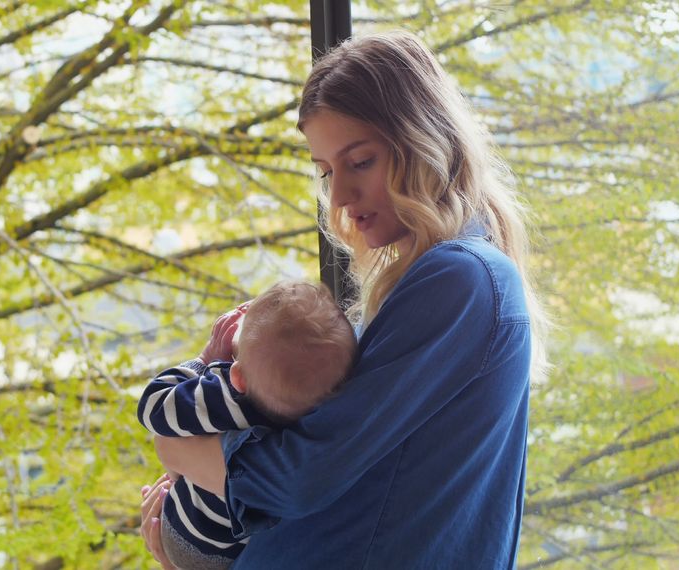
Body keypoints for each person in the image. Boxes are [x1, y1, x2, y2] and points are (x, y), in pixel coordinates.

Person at [140, 29, 548, 569]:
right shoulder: (447, 282)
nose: (339, 197)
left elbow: (300, 478)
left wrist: (182, 450)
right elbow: (363, 495)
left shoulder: (462, 279)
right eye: (327, 171)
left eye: (359, 162)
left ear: (422, 141)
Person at [137, 280, 356, 570]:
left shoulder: (228, 398)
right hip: (235, 551)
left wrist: (205, 360)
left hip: (182, 536)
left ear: (237, 377)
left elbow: (153, 408)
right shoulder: (308, 421)